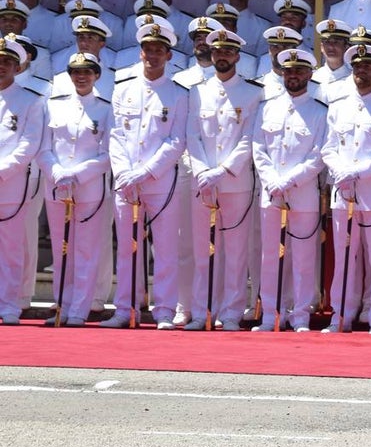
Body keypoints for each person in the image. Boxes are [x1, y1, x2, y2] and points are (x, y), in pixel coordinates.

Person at [106, 23, 188, 330]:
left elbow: (176, 140)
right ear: (140, 53)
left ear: (168, 55)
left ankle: (164, 309)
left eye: (158, 51)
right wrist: (125, 172)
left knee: (164, 248)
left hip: (160, 181)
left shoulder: (178, 94)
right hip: (126, 182)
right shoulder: (123, 88)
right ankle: (125, 308)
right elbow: (115, 136)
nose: (152, 56)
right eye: (148, 50)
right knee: (127, 247)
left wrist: (147, 171)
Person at [183, 28, 264, 331]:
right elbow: (191, 134)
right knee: (203, 249)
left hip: (235, 182)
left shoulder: (252, 92)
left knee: (235, 250)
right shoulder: (197, 91)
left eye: (228, 52)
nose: (222, 56)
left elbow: (249, 139)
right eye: (217, 51)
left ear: (237, 56)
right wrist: (204, 170)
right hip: (203, 182)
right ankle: (203, 309)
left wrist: (224, 170)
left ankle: (230, 311)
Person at [320, 44, 371, 333]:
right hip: (343, 192)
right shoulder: (338, 107)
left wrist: (358, 172)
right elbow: (328, 148)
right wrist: (341, 171)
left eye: (367, 66)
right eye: (356, 66)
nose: (361, 71)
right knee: (343, 259)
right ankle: (340, 314)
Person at [250, 48, 327, 333]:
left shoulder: (319, 111)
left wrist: (290, 180)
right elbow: (258, 147)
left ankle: (301, 316)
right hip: (271, 193)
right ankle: (270, 313)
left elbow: (319, 155)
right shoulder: (266, 108)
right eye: (288, 71)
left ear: (309, 74)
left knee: (304, 258)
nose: (293, 75)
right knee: (270, 255)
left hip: (302, 193)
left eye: (299, 71)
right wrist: (272, 180)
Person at [40, 52, 112, 327]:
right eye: (76, 72)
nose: (81, 77)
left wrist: (77, 174)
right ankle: (62, 303)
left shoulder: (106, 108)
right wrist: (58, 172)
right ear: (69, 76)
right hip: (57, 186)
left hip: (89, 189)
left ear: (96, 75)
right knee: (61, 249)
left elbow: (108, 154)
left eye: (88, 72)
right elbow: (44, 148)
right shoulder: (54, 106)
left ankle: (80, 309)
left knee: (86, 250)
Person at [0, 37, 45, 325]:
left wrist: (2, 171)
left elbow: (29, 145)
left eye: (7, 62)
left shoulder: (30, 100)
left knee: (11, 248)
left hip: (11, 184)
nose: (1, 67)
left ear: (17, 67)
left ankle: (9, 305)